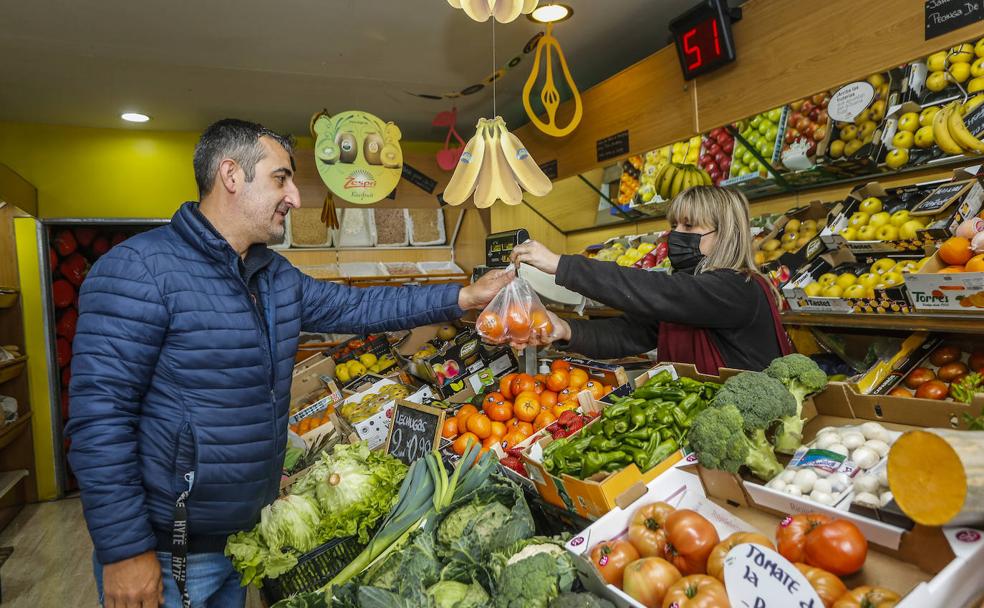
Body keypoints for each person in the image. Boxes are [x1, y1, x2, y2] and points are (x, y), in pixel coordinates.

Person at [66, 118, 511, 608]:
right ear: (232, 175)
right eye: (281, 178)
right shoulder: (139, 270)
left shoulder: (272, 275)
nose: (295, 197)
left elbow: (358, 309)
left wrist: (465, 296)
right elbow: (98, 423)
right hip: (167, 551)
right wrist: (124, 550)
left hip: (241, 542)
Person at [510, 186, 792, 373]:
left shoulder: (738, 288)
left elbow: (657, 292)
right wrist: (566, 330)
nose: (676, 234)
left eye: (689, 226)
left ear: (725, 234)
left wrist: (561, 265)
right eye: (674, 226)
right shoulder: (691, 294)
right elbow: (629, 335)